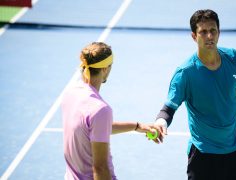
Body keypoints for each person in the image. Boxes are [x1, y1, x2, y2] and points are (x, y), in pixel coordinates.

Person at [155, 9, 236, 179]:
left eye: (213, 31)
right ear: (193, 36)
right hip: (203, 157)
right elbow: (168, 109)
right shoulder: (185, 73)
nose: (209, 36)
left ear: (219, 33)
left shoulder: (233, 58)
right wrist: (160, 122)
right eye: (203, 32)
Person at [61, 42, 162, 180]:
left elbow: (93, 128)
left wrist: (136, 126)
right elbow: (100, 168)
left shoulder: (70, 93)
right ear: (105, 69)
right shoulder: (100, 109)